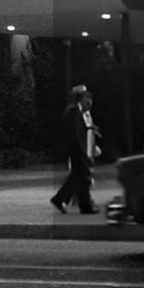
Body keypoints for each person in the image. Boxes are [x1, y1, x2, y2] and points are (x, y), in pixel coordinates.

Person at [51, 84, 102, 214]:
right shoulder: (73, 111)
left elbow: (80, 131)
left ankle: (85, 207)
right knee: (78, 177)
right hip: (77, 151)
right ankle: (59, 198)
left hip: (78, 150)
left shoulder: (76, 111)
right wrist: (83, 151)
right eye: (86, 97)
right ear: (82, 97)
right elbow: (75, 134)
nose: (88, 101)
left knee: (82, 178)